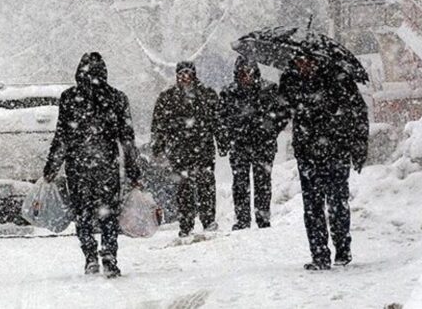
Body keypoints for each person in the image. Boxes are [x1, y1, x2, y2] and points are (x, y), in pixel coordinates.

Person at [43, 52, 140, 278]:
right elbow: (127, 139)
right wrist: (134, 171)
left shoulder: (69, 98)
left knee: (83, 213)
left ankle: (90, 256)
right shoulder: (117, 98)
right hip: (106, 165)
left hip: (78, 166)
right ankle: (109, 255)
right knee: (108, 214)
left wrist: (51, 168)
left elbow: (62, 137)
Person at [279, 55, 369, 270]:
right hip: (307, 152)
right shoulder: (290, 80)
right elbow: (281, 112)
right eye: (299, 61)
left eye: (307, 61)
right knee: (312, 206)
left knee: (337, 202)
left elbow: (358, 112)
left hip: (336, 150)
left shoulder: (338, 78)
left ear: (317, 60)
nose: (304, 65)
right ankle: (319, 254)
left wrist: (358, 146)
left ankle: (342, 249)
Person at [151, 61, 227, 238]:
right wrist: (158, 146)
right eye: (181, 73)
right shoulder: (168, 97)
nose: (185, 77)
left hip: (203, 148)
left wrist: (222, 141)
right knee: (183, 188)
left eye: (188, 73)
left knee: (205, 185)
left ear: (194, 74)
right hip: (179, 150)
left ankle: (208, 220)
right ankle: (186, 224)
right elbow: (159, 125)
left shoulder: (207, 95)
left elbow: (218, 121)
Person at [220, 57, 288, 230]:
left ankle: (263, 218)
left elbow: (283, 114)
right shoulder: (228, 93)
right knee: (240, 183)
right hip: (239, 145)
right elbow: (221, 118)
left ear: (255, 72)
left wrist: (271, 131)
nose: (246, 76)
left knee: (263, 182)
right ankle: (243, 219)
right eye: (242, 72)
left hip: (263, 144)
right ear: (237, 73)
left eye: (249, 71)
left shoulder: (270, 89)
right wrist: (231, 133)